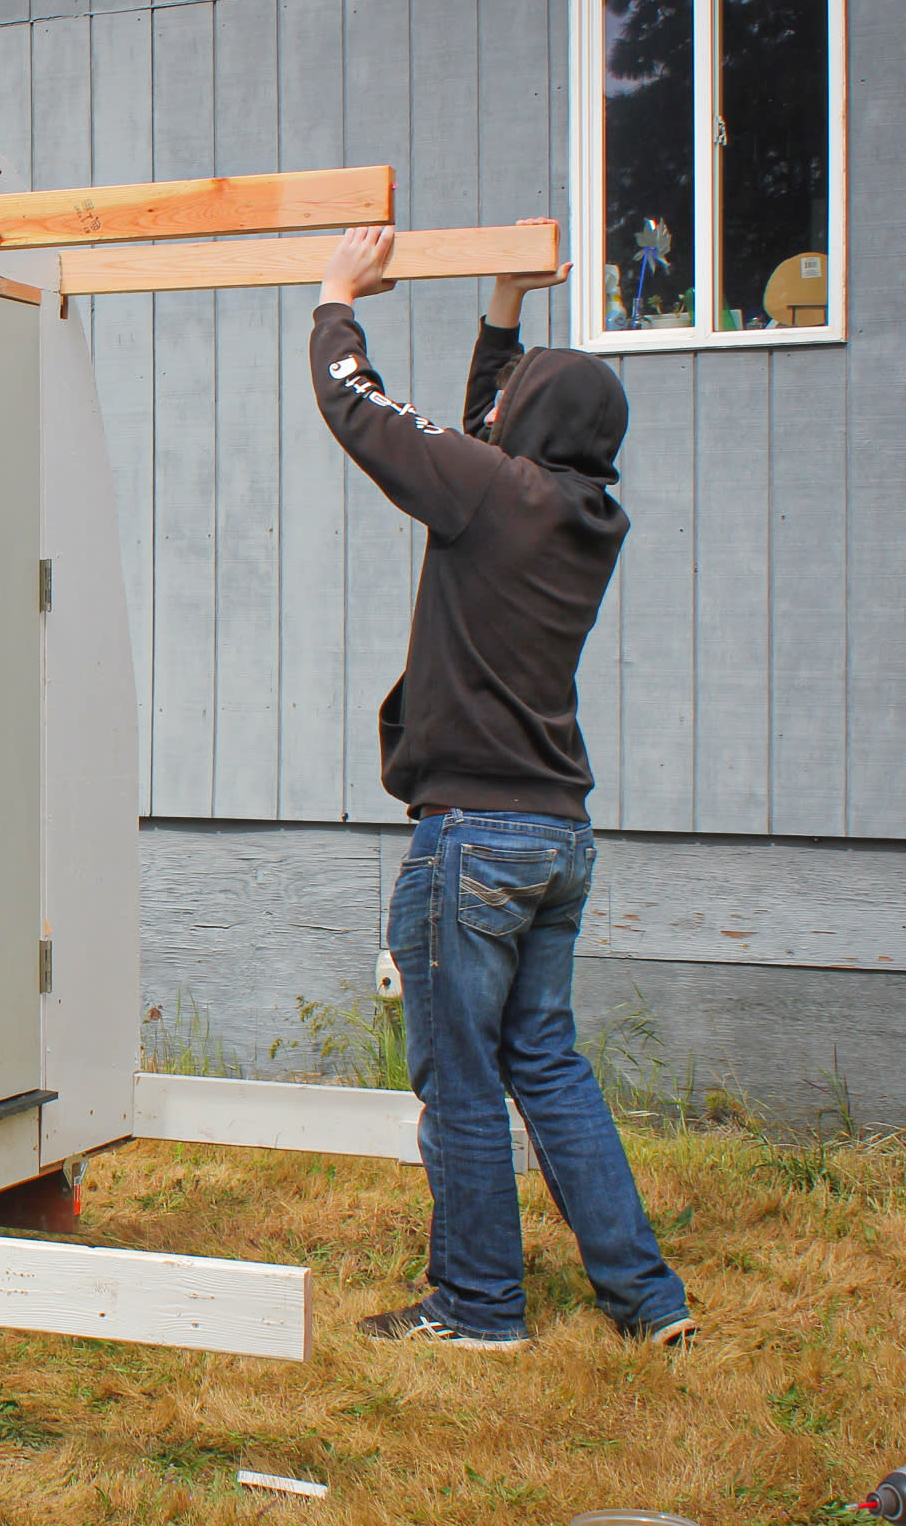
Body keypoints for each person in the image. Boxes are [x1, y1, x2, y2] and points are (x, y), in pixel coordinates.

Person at [311, 219, 693, 1350]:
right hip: (554, 837)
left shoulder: (493, 495)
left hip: (473, 839)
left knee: (463, 1077)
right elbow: (490, 425)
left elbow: (363, 412)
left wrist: (337, 301)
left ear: (526, 430)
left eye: (515, 393)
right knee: (548, 1064)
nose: (498, 406)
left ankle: (479, 1306)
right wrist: (503, 308)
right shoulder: (574, 511)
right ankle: (646, 1297)